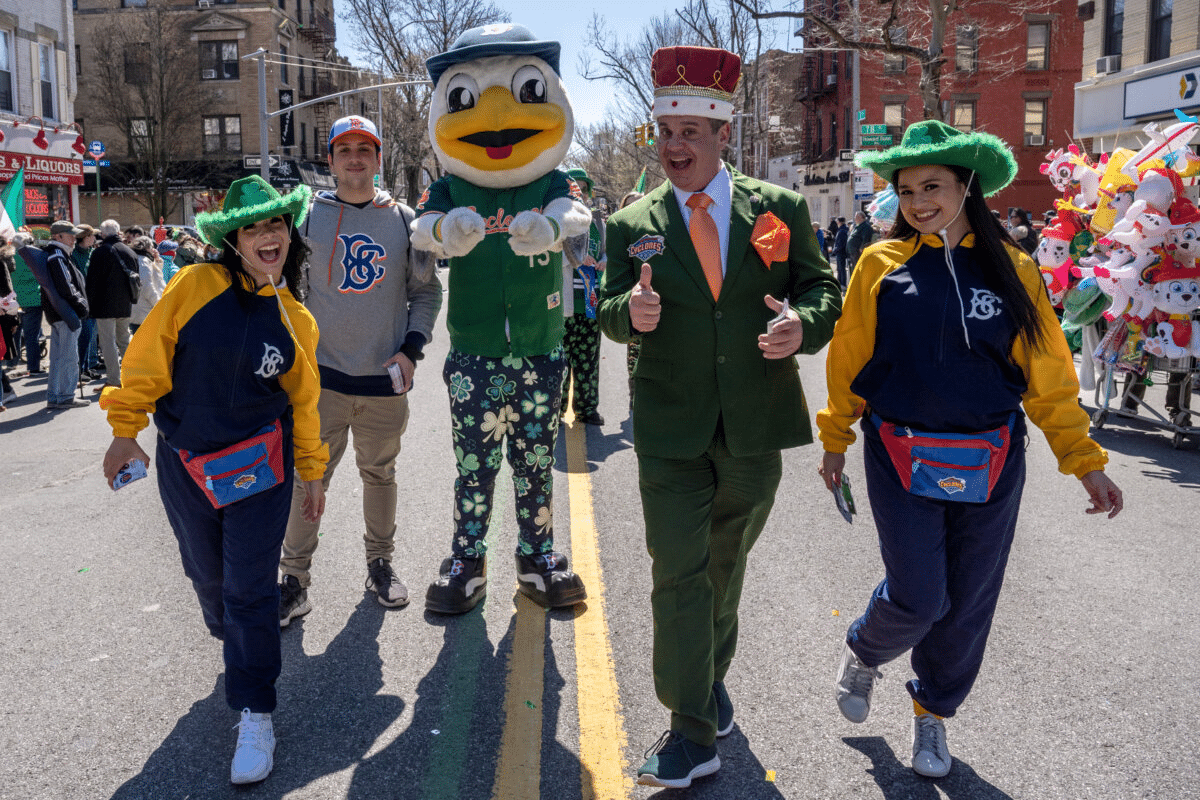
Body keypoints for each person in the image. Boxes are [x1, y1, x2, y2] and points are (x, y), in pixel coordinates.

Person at [816, 120, 1124, 780]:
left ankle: (933, 715)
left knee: (968, 602)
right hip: (898, 453)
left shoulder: (1013, 270)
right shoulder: (877, 265)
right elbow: (848, 360)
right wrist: (835, 438)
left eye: (933, 186)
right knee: (921, 597)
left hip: (992, 459)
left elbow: (1048, 374)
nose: (919, 201)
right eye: (906, 190)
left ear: (966, 187)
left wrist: (1085, 461)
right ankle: (866, 651)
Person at [597, 45, 841, 789]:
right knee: (679, 573)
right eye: (663, 131)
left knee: (723, 571)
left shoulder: (781, 210)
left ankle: (705, 682)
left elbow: (821, 289)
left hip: (754, 426)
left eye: (689, 133)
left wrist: (804, 323)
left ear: (722, 135)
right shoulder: (628, 222)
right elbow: (607, 307)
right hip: (669, 430)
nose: (674, 145)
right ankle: (690, 728)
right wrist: (627, 313)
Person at [99, 175, 328, 785]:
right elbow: (145, 357)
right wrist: (126, 428)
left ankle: (255, 708)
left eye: (276, 224)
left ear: (290, 234)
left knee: (250, 589)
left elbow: (305, 406)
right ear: (232, 239)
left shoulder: (297, 321)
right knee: (208, 577)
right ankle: (240, 645)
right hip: (186, 465)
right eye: (252, 227)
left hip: (262, 470)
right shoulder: (195, 285)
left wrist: (313, 473)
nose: (267, 235)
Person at [278, 115, 442, 623]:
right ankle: (293, 579)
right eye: (344, 148)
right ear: (328, 160)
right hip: (320, 381)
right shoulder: (304, 218)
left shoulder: (403, 221)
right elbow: (280, 288)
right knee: (310, 478)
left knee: (380, 475)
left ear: (378, 159)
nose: (354, 157)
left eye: (364, 149)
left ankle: (380, 564)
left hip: (383, 381)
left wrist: (410, 350)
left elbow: (425, 291)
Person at [560, 167, 606, 426]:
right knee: (561, 361)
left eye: (583, 189)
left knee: (588, 360)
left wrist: (603, 262)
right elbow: (554, 257)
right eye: (574, 189)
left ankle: (587, 409)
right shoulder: (559, 220)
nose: (580, 194)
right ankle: (556, 411)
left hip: (591, 303)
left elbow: (607, 252)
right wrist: (575, 261)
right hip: (565, 305)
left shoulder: (598, 221)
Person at [40, 221, 91, 409]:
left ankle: (55, 396)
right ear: (58, 236)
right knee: (68, 357)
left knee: (58, 358)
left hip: (58, 313)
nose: (73, 238)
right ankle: (66, 396)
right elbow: (66, 285)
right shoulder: (58, 255)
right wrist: (81, 304)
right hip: (65, 313)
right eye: (70, 235)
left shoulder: (55, 253)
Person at [86, 219, 139, 390]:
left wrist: (90, 305)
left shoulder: (100, 252)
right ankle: (133, 377)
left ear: (102, 234)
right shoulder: (129, 251)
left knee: (108, 343)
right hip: (125, 303)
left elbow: (92, 282)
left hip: (104, 305)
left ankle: (114, 379)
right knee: (124, 340)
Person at [619, 190, 645, 402]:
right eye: (630, 205)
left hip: (661, 306)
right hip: (633, 308)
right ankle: (635, 400)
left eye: (639, 203)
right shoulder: (620, 234)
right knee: (634, 361)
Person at [72, 224, 101, 381]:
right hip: (83, 300)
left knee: (91, 335)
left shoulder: (92, 252)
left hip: (94, 299)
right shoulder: (74, 255)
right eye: (91, 236)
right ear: (84, 237)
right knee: (84, 336)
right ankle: (79, 369)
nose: (94, 238)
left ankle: (87, 366)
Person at [128, 235, 166, 334]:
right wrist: (157, 302)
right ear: (147, 247)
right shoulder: (143, 261)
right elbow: (146, 286)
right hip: (145, 309)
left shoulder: (142, 259)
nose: (153, 249)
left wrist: (157, 260)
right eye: (152, 247)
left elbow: (155, 276)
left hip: (140, 309)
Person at [845, 210, 875, 276]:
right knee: (854, 269)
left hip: (858, 252)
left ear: (861, 217)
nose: (855, 219)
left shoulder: (865, 226)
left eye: (856, 217)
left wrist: (862, 247)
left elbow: (866, 238)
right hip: (853, 252)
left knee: (858, 269)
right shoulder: (858, 226)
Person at [833, 215, 850, 287]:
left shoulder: (842, 230)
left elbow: (840, 243)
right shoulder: (844, 229)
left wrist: (835, 250)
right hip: (841, 251)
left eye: (837, 221)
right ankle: (840, 283)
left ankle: (842, 283)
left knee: (841, 268)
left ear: (839, 222)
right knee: (840, 268)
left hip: (840, 252)